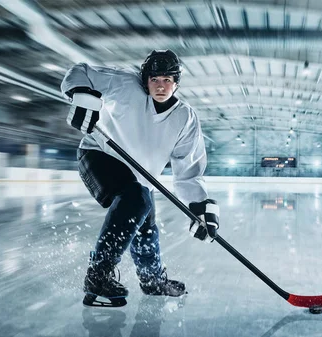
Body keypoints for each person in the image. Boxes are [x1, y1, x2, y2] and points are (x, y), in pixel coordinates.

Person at [61, 50, 221, 307]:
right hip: (98, 154)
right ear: (144, 80)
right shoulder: (126, 85)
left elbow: (188, 170)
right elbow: (80, 72)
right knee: (136, 198)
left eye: (167, 80)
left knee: (145, 224)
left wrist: (200, 208)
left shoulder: (185, 118)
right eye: (155, 79)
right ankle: (98, 275)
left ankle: (152, 280)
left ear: (177, 83)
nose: (161, 85)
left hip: (141, 180)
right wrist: (81, 96)